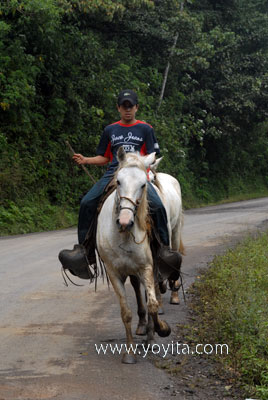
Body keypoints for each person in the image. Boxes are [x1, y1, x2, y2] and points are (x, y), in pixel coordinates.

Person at [59, 89, 180, 279]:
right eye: (124, 107)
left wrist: (146, 172)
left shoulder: (145, 129)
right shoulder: (110, 130)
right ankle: (84, 251)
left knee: (157, 206)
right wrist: (86, 160)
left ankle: (165, 250)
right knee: (87, 202)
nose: (127, 110)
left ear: (136, 108)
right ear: (118, 108)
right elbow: (105, 157)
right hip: (114, 173)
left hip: (139, 173)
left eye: (130, 106)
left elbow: (152, 154)